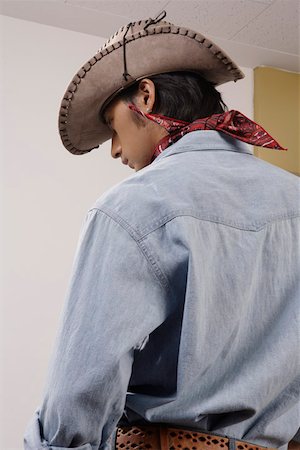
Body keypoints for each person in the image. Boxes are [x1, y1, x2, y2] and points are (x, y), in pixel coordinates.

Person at [24, 11, 300, 450]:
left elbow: (80, 392)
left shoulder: (132, 205)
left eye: (112, 127)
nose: (114, 150)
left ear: (146, 96)